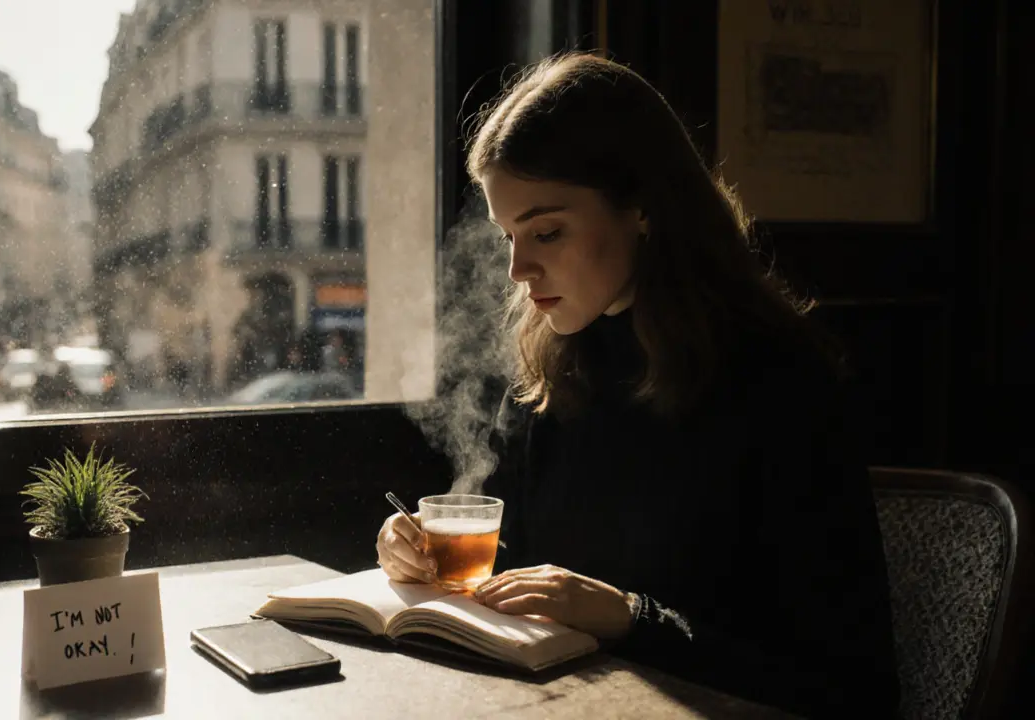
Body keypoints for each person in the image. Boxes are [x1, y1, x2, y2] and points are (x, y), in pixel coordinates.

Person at [375, 53, 900, 718]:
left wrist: (631, 617)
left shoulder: (779, 384)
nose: (516, 269)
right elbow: (537, 566)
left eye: (547, 231)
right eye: (508, 236)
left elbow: (853, 690)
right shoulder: (560, 370)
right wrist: (427, 553)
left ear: (643, 208)